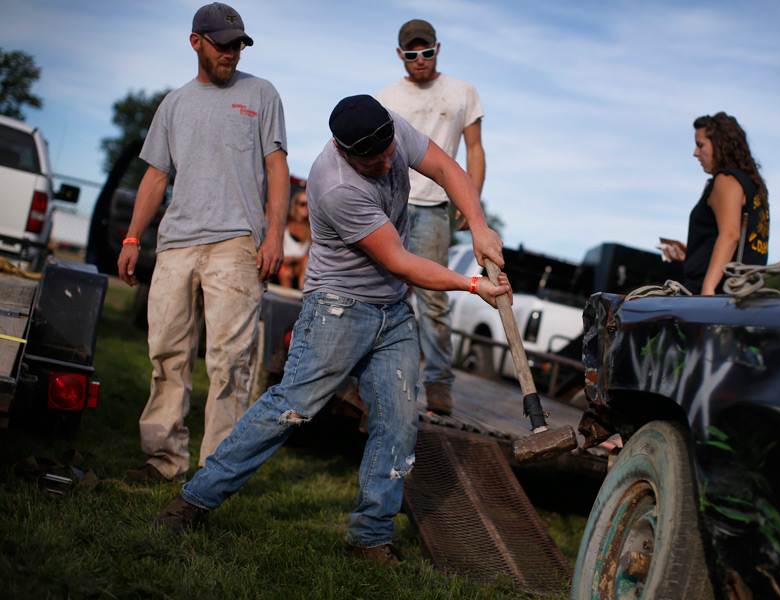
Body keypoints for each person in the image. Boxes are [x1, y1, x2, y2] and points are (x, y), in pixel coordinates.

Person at [150, 95, 510, 565]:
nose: (386, 163)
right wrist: (470, 283)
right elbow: (400, 261)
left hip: (393, 314)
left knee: (399, 424)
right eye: (372, 159)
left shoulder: (389, 129)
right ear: (343, 150)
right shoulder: (335, 185)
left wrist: (479, 227)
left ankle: (369, 538)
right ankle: (194, 501)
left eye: (388, 152)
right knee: (290, 409)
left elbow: (446, 169)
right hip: (338, 310)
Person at [118, 2, 290, 483]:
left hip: (236, 245)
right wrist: (134, 237)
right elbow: (155, 177)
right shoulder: (173, 104)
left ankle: (215, 473)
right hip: (175, 244)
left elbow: (277, 169)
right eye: (222, 44)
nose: (232, 53)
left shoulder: (261, 94)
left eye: (239, 44)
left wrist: (273, 234)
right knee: (166, 353)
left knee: (228, 364)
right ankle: (162, 459)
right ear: (196, 42)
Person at [374, 19, 485, 416]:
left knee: (434, 299)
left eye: (426, 52)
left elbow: (474, 149)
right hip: (391, 205)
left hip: (436, 207)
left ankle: (438, 383)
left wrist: (471, 201)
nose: (419, 60)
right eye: (411, 54)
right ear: (400, 55)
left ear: (438, 49)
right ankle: (368, 376)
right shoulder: (385, 97)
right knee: (379, 290)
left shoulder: (462, 92)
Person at [661, 112, 769, 294]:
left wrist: (707, 291)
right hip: (744, 295)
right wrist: (692, 256)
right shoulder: (751, 184)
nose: (695, 153)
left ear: (720, 145)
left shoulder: (725, 179)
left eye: (700, 145)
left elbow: (730, 235)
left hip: (717, 296)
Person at [278, 181, 311, 289]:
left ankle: (302, 292)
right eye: (302, 204)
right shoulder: (285, 223)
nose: (306, 207)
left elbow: (310, 256)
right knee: (285, 272)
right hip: (281, 264)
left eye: (308, 204)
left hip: (299, 267)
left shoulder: (311, 229)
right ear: (295, 205)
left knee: (306, 262)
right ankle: (290, 301)